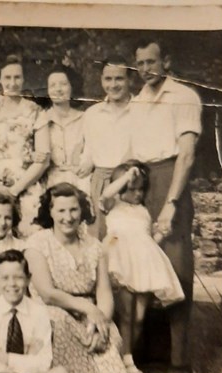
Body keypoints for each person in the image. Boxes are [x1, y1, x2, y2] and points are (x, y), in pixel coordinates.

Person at [24, 183, 140, 373]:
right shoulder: (37, 243)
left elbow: (104, 293)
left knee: (106, 337)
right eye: (61, 210)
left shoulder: (94, 246)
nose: (68, 217)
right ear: (50, 212)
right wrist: (88, 308)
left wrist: (100, 321)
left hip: (90, 315)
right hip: (52, 309)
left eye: (73, 210)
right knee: (58, 322)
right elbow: (47, 293)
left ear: (82, 210)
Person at [131, 39, 201, 373]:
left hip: (170, 180)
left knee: (176, 268)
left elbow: (186, 155)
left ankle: (179, 360)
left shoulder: (184, 96)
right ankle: (146, 354)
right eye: (140, 63)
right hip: (141, 184)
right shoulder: (138, 100)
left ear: (166, 61)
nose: (146, 68)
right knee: (141, 266)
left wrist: (170, 203)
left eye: (151, 61)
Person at [100, 161, 185, 373]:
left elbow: (148, 241)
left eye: (141, 189)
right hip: (121, 259)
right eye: (132, 189)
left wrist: (161, 234)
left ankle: (126, 358)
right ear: (121, 188)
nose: (137, 194)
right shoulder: (113, 204)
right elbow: (106, 193)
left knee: (138, 318)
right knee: (126, 314)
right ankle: (126, 362)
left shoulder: (144, 211)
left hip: (143, 265)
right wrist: (127, 175)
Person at [0, 54, 50, 238]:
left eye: (17, 77)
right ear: (0, 79)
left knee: (28, 233)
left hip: (26, 183)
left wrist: (15, 190)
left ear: (24, 79)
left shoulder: (36, 111)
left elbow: (44, 159)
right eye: (8, 77)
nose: (13, 82)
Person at [78, 57, 134, 240]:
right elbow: (89, 153)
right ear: (101, 80)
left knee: (129, 240)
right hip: (100, 184)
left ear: (130, 80)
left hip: (131, 184)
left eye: (119, 78)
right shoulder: (92, 114)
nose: (113, 84)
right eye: (108, 79)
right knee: (100, 240)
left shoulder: (141, 110)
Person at [44, 65, 88, 194]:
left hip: (81, 180)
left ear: (72, 87)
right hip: (50, 182)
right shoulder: (41, 120)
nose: (58, 89)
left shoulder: (85, 118)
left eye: (63, 84)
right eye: (52, 85)